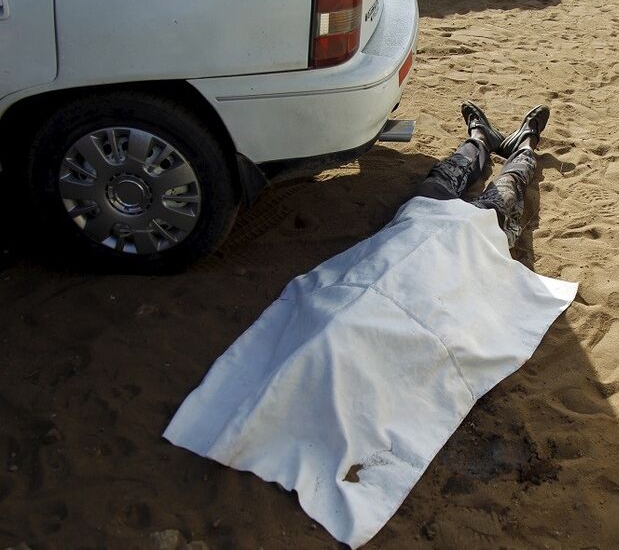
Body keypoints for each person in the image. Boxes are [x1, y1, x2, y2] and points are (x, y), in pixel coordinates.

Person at [163, 102, 576, 549]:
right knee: (505, 194)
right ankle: (518, 144)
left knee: (446, 178)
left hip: (418, 225)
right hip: (467, 244)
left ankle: (483, 139)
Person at [415, 101, 550, 247]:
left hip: (413, 230)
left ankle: (480, 140)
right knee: (503, 198)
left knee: (436, 183)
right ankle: (525, 147)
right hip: (470, 246)